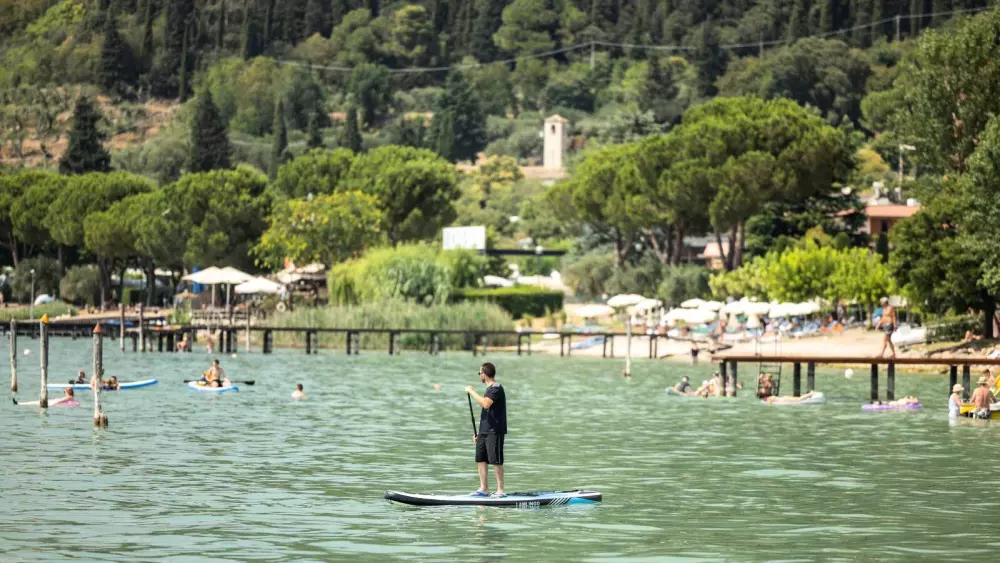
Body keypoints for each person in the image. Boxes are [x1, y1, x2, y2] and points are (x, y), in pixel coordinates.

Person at [465, 362, 507, 498]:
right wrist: (479, 432)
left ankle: (500, 490)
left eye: (479, 373)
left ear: (484, 374)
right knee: (481, 458)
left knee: (495, 460)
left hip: (495, 431)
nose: (479, 376)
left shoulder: (496, 388)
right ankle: (484, 488)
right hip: (484, 430)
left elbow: (485, 404)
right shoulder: (489, 389)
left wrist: (471, 391)